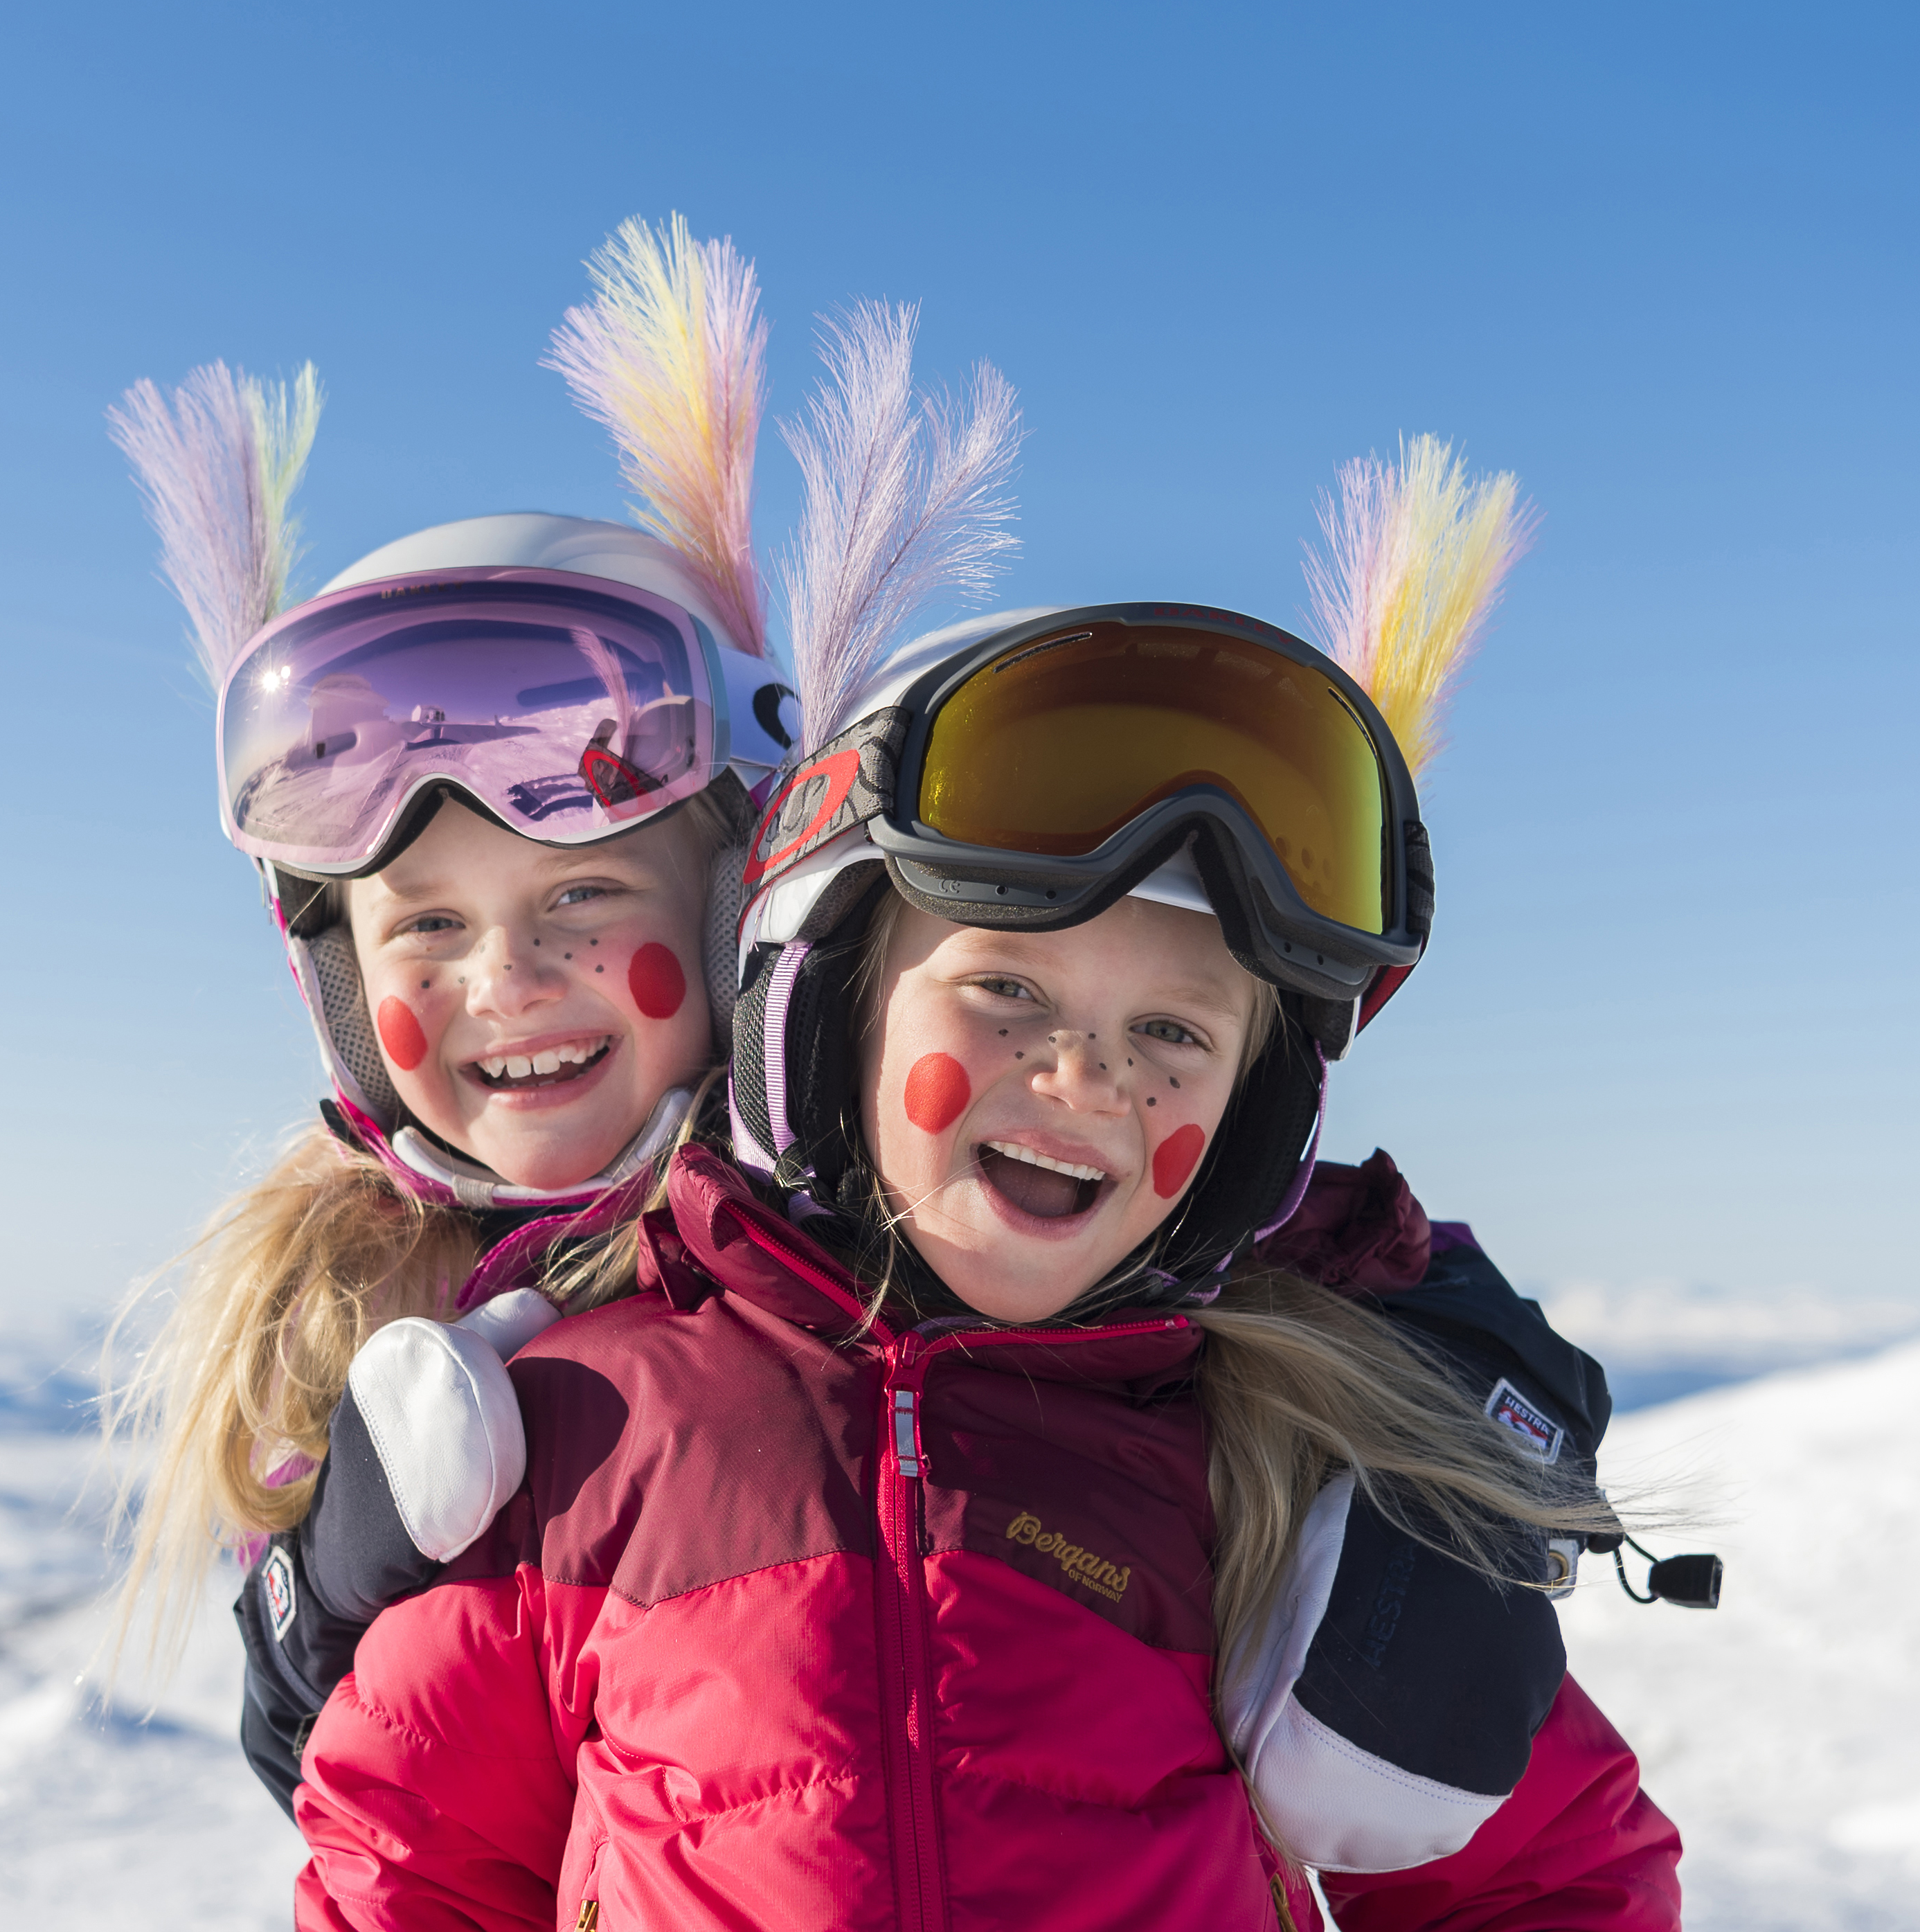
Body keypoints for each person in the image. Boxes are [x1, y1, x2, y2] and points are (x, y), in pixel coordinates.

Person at [285, 353, 1681, 1926]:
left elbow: (1552, 1873)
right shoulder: (584, 1427)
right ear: (827, 1016)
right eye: (1005, 988)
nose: (1084, 1078)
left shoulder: (1259, 1468)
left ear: (1247, 1119)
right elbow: (413, 1857)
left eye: (1172, 1035)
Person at [96, 218, 807, 1799]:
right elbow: (321, 1792)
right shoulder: (339, 1307)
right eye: (424, 927)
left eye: (580, 897)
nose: (504, 982)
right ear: (339, 984)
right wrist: (320, 1608)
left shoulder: (870, 1230)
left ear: (735, 912)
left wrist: (1452, 1346)